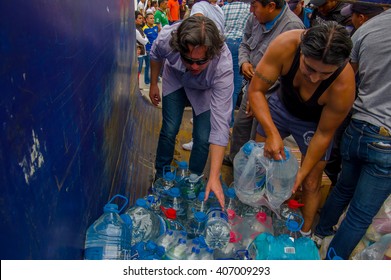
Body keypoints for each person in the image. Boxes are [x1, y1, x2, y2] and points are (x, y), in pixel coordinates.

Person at [248, 21, 356, 236]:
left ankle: (306, 234)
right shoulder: (285, 45)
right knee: (262, 163)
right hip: (282, 105)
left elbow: (324, 133)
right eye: (309, 68)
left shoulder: (344, 85)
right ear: (301, 51)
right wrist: (271, 133)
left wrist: (300, 175)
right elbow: (256, 90)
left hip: (314, 122)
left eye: (325, 74)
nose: (314, 78)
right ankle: (257, 218)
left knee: (311, 181)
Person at [313, 4, 390, 260]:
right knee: (359, 213)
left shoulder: (367, 28)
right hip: (386, 138)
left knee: (343, 188)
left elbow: (346, 76)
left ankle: (318, 234)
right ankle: (331, 262)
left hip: (357, 126)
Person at [149, 16, 234, 208]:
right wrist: (154, 83)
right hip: (175, 80)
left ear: (212, 54)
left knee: (203, 137)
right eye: (188, 59)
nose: (194, 66)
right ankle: (160, 177)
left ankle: (194, 181)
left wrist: (214, 176)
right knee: (170, 128)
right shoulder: (167, 39)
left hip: (204, 89)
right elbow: (155, 54)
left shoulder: (223, 66)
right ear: (179, 48)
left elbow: (221, 126)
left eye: (201, 61)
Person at [223, 0, 304, 167]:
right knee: (240, 127)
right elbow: (245, 42)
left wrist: (259, 96)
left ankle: (251, 172)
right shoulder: (254, 19)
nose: (251, 10)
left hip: (272, 94)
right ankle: (235, 160)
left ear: (271, 6)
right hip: (252, 86)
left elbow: (289, 75)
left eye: (254, 6)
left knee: (257, 135)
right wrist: (244, 62)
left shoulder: (293, 26)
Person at [222, 0, 251, 127]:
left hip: (224, 44)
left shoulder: (224, 8)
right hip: (240, 45)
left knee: (222, 85)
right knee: (234, 87)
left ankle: (218, 119)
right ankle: (229, 122)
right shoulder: (248, 8)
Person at [142, 13, 159, 85]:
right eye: (151, 18)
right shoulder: (144, 29)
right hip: (148, 50)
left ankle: (156, 78)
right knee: (148, 66)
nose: (153, 20)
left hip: (156, 49)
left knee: (156, 65)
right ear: (146, 20)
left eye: (153, 18)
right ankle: (147, 80)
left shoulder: (156, 27)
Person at [135, 11, 149, 87]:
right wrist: (145, 39)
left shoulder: (140, 28)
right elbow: (144, 41)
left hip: (142, 53)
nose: (141, 20)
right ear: (134, 19)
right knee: (137, 72)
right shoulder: (136, 30)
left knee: (139, 72)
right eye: (139, 18)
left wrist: (145, 38)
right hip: (138, 55)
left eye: (142, 18)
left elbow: (145, 38)